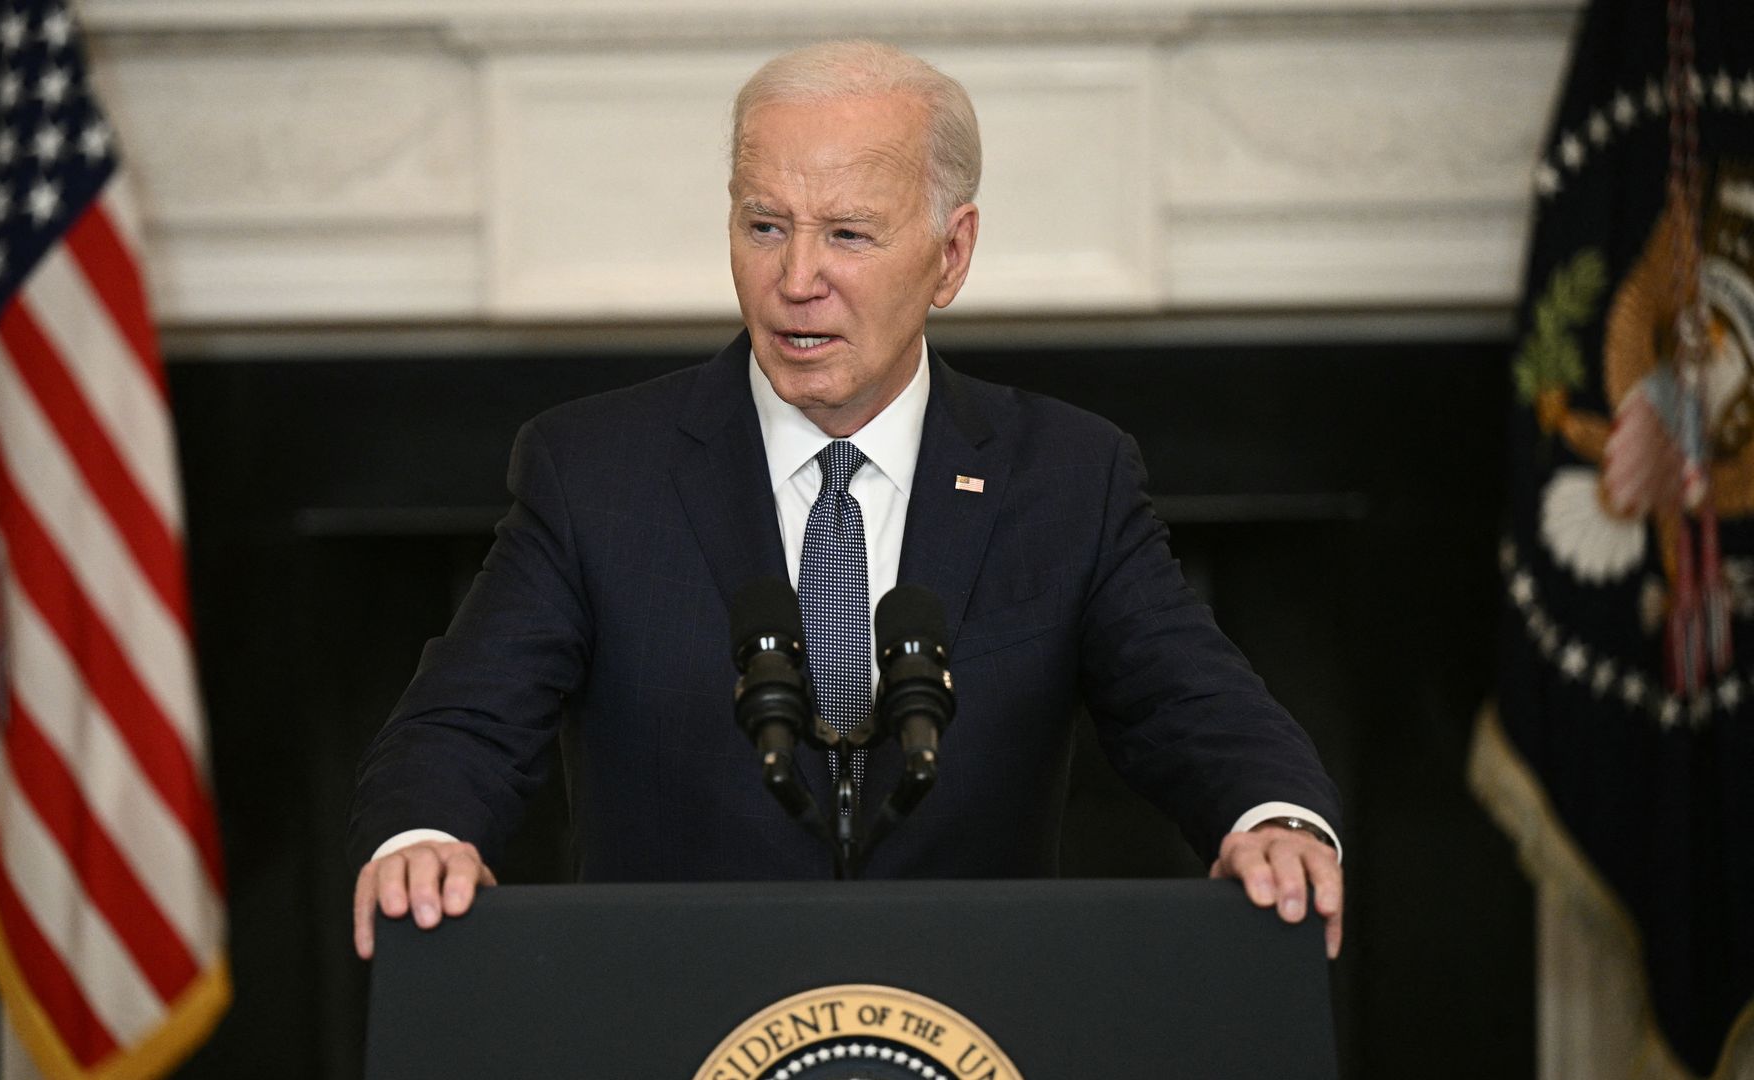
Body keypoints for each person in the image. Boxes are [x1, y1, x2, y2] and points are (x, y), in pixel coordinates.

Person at [349, 40, 1344, 962]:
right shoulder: (594, 471)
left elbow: (1192, 703)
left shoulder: (1068, 477)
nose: (796, 279)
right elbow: (464, 722)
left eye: (849, 234)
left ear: (950, 255)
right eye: (765, 226)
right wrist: (425, 837)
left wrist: (1274, 820)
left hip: (968, 1018)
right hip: (676, 1014)